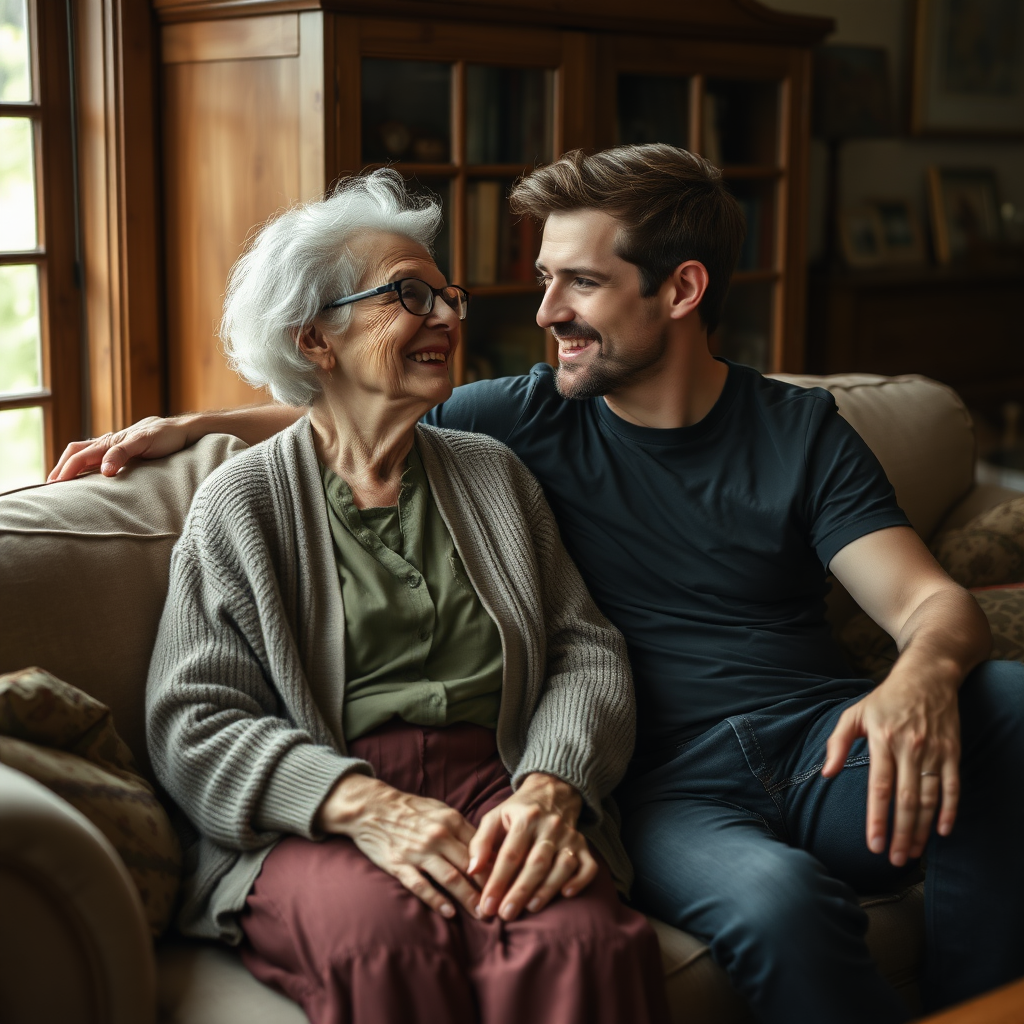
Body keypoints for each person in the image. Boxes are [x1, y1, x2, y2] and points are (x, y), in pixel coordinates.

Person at [53, 145, 1024, 1022]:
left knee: (1008, 706)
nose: (544, 310)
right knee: (773, 906)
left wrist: (915, 681)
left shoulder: (762, 434)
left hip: (800, 745)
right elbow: (348, 403)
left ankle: (978, 1004)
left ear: (680, 290)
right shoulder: (516, 421)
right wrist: (183, 429)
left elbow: (922, 605)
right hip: (664, 782)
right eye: (543, 279)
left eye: (579, 282)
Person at [140, 169, 669, 1024]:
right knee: (384, 942)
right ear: (315, 339)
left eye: (448, 296)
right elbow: (193, 721)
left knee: (586, 942)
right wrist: (366, 805)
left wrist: (551, 786)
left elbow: (585, 651)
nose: (452, 319)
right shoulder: (241, 504)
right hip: (317, 807)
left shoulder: (491, 474)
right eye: (410, 296)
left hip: (499, 782)